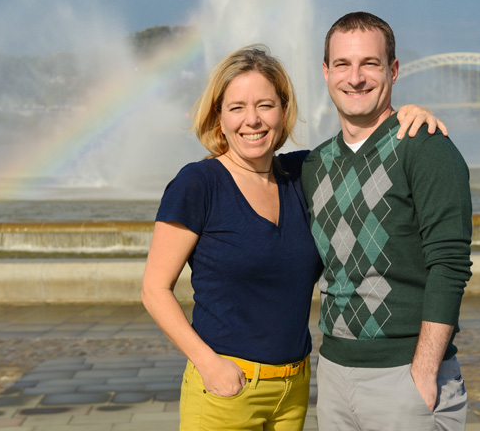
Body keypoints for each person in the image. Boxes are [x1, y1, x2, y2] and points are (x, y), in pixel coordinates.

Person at [141, 44, 444, 430]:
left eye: (265, 106)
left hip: (294, 389)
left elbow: (363, 144)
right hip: (225, 390)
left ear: (283, 112)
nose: (252, 120)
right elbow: (154, 288)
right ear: (219, 117)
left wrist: (405, 118)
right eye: (236, 108)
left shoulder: (303, 175)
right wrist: (209, 364)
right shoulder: (199, 184)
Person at [301, 12, 472, 430]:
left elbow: (449, 266)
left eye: (370, 64)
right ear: (326, 72)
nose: (355, 78)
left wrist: (424, 374)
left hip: (405, 376)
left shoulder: (426, 149)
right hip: (334, 375)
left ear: (393, 70)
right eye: (342, 64)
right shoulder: (312, 165)